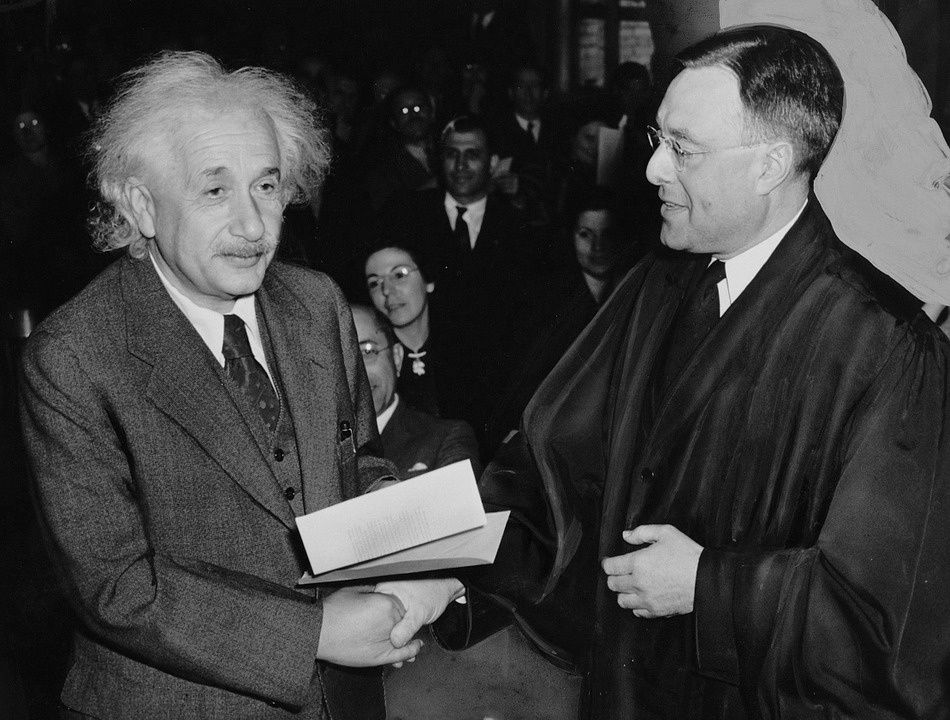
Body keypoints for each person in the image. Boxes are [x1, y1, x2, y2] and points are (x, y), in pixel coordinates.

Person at [427, 25, 950, 719]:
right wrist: (445, 567)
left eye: (683, 149)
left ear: (770, 165)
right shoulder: (658, 283)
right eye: (658, 139)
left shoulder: (885, 347)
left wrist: (710, 585)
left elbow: (893, 627)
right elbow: (562, 481)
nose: (652, 169)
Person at [17, 51, 457, 720]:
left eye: (267, 186)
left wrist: (411, 540)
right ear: (142, 205)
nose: (253, 226)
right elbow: (117, 587)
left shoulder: (316, 303)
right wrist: (316, 634)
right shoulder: (74, 357)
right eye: (215, 191)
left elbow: (358, 461)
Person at [378, 114, 530, 456]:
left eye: (472, 154)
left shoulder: (519, 227)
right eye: (451, 154)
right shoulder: (407, 215)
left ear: (493, 163)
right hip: (425, 395)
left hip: (495, 397)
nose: (461, 165)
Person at [349, 303, 481, 479]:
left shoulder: (444, 438)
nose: (357, 372)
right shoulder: (319, 452)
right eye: (342, 359)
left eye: (368, 351)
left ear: (396, 358)